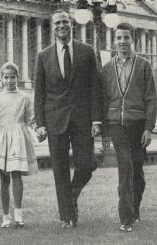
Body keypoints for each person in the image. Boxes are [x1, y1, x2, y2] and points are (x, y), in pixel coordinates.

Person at [33, 10, 102, 228]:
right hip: (55, 119)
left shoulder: (87, 51)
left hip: (82, 119)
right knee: (60, 169)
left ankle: (69, 199)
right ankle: (67, 217)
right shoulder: (43, 55)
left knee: (87, 164)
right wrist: (40, 123)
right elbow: (39, 92)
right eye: (57, 23)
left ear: (71, 24)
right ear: (52, 27)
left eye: (64, 22)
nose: (61, 26)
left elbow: (95, 87)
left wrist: (96, 120)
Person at [100, 22, 156, 232]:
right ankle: (127, 218)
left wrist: (149, 128)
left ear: (133, 39)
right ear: (114, 41)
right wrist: (105, 131)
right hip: (116, 124)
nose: (122, 42)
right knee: (125, 168)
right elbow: (104, 100)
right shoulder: (107, 68)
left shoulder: (143, 65)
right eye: (119, 38)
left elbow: (151, 98)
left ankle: (135, 207)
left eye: (126, 38)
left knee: (137, 172)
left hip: (138, 124)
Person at [0, 63, 38, 228]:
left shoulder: (24, 97)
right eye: (6, 77)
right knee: (4, 178)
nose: (9, 81)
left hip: (18, 137)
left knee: (16, 175)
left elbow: (31, 118)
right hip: (2, 138)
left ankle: (18, 213)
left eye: (12, 77)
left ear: (18, 77)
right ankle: (5, 216)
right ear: (1, 78)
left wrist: (38, 129)